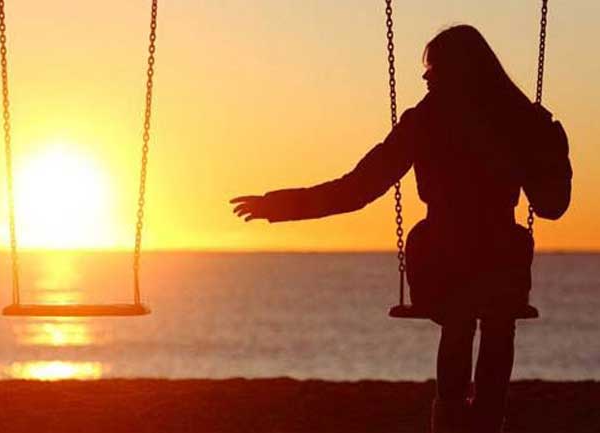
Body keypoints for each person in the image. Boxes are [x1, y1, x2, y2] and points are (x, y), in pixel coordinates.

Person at [230, 25, 572, 433]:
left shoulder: (427, 122)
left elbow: (357, 189)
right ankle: (485, 419)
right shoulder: (515, 120)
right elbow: (552, 206)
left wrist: (280, 206)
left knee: (464, 316)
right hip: (497, 261)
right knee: (495, 319)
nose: (425, 77)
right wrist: (550, 143)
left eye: (432, 69)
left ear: (457, 71)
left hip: (445, 259)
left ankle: (453, 420)